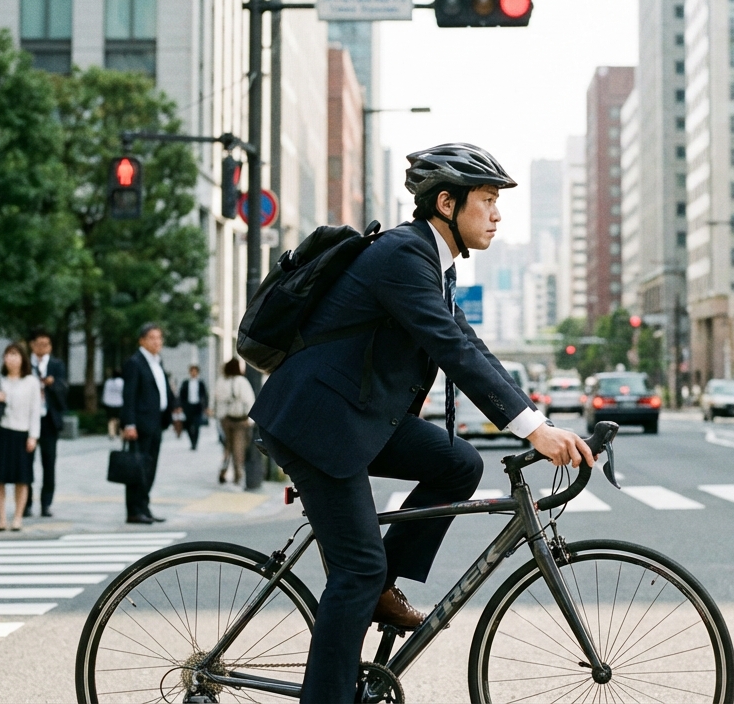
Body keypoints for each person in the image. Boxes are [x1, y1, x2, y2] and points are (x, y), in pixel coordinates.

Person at [251, 143, 595, 703]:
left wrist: (540, 420)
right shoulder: (402, 257)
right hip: (316, 424)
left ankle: (382, 588)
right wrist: (533, 432)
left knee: (458, 463)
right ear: (445, 202)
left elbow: (472, 347)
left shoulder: (434, 266)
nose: (497, 214)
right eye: (487, 200)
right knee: (354, 572)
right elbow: (450, 349)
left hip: (358, 417)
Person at [0, 343, 41, 532]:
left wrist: (33, 436)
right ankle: (1, 518)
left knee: (22, 479)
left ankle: (18, 518)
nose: (11, 358)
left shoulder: (31, 382)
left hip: (22, 434)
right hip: (0, 433)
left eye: (15, 355)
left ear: (23, 358)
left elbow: (35, 411)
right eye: (8, 355)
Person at [121, 323, 180, 524]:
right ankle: (134, 510)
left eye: (159, 338)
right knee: (137, 468)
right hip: (140, 425)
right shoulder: (135, 362)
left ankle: (144, 507)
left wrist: (174, 407)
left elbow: (163, 389)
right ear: (142, 341)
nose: (157, 342)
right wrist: (129, 424)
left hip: (156, 423)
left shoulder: (157, 361)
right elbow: (128, 396)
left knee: (149, 467)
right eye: (152, 338)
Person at [25, 330, 67, 517]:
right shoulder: (25, 364)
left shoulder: (56, 365)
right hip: (27, 420)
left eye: (46, 344)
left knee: (49, 463)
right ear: (32, 345)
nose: (42, 348)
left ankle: (46, 503)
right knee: (26, 463)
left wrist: (52, 384)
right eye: (39, 344)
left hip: (49, 420)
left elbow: (64, 390)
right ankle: (25, 503)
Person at [213, 358, 255, 487]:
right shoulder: (242, 382)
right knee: (238, 449)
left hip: (225, 419)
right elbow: (250, 400)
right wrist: (250, 420)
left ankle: (223, 471)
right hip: (239, 421)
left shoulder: (221, 381)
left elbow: (216, 400)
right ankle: (238, 476)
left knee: (227, 447)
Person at [179, 365, 208, 451]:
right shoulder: (185, 383)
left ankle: (195, 443)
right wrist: (181, 406)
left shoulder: (201, 383)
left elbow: (205, 396)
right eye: (192, 371)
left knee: (196, 425)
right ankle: (192, 441)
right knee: (188, 425)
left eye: (195, 371)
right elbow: (181, 395)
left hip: (197, 407)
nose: (193, 373)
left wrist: (205, 407)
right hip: (188, 407)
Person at [102, 369, 125, 440]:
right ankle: (121, 433)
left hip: (109, 403)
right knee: (120, 419)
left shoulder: (108, 382)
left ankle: (112, 433)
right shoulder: (122, 382)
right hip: (120, 403)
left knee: (111, 419)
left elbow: (105, 392)